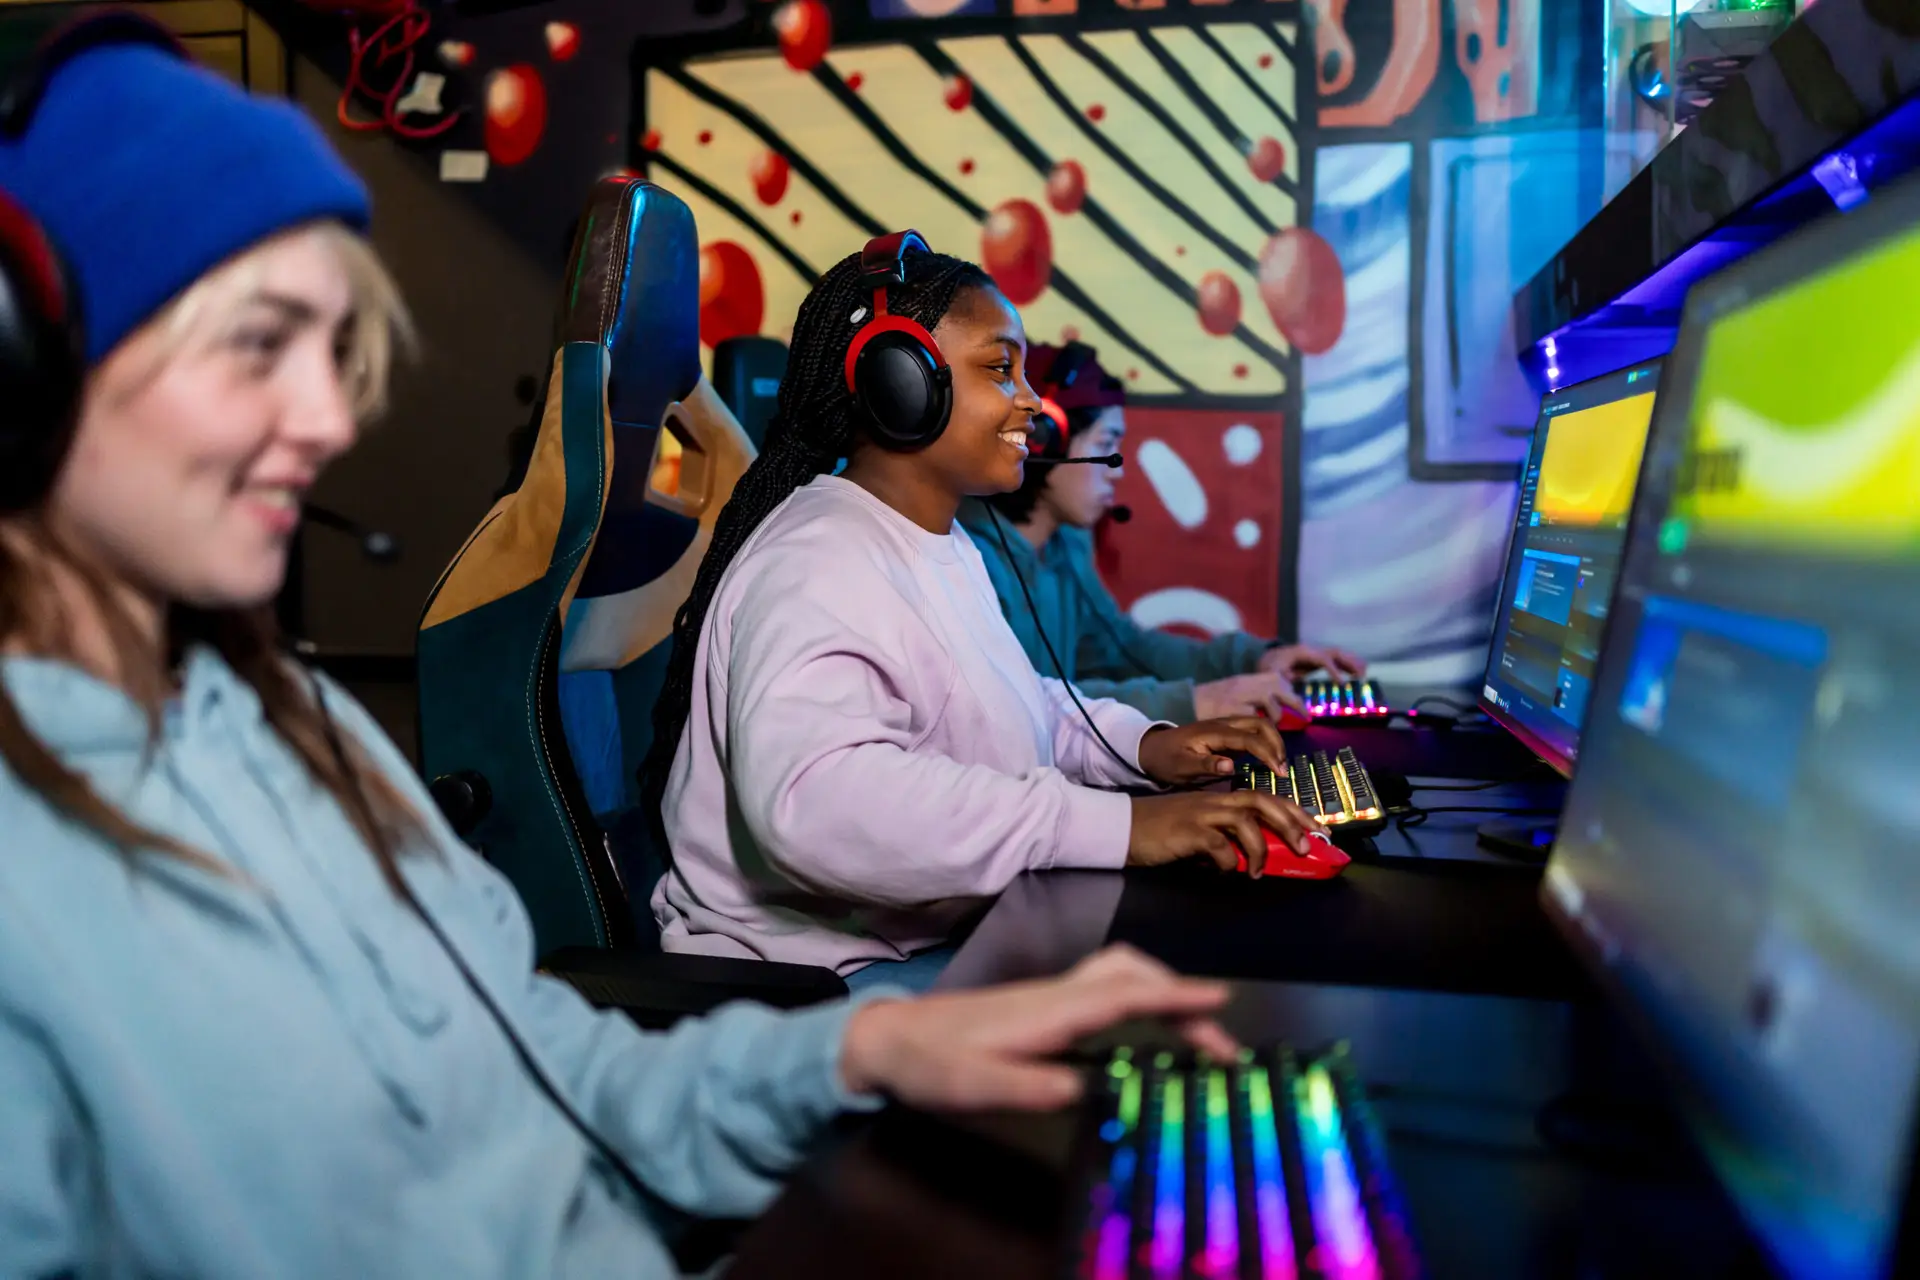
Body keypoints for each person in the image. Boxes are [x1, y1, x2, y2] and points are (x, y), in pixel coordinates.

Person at [0, 31, 1246, 1279]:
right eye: (258, 345)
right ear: (24, 367)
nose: (330, 421)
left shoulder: (295, 726)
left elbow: (556, 1059)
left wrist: (861, 1055)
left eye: (333, 355)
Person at [641, 236, 1327, 994]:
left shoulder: (942, 543)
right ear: (900, 383)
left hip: (907, 941)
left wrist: (1145, 747)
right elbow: (814, 801)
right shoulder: (820, 560)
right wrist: (1118, 828)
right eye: (1001, 369)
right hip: (816, 982)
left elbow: (1010, 706)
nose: (1031, 401)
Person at [956, 341, 1368, 724]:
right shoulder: (971, 559)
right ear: (1044, 439)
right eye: (1106, 442)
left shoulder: (1066, 545)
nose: (1117, 472)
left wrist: (1253, 660)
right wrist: (1196, 702)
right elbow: (1024, 706)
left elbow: (1124, 650)